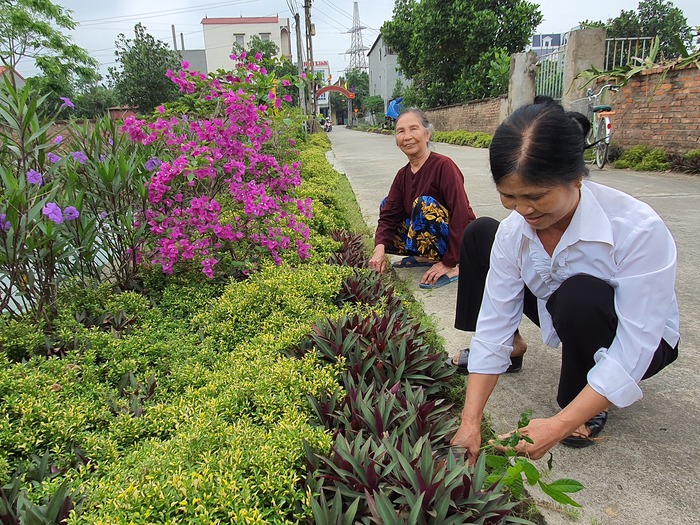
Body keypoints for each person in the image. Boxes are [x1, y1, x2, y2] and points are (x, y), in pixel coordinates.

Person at [449, 103, 679, 463]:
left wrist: (558, 424)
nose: (523, 210)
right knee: (486, 235)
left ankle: (583, 404)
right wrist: (470, 421)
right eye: (509, 196)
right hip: (561, 307)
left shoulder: (637, 229)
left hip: (642, 340)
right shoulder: (516, 231)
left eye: (536, 197)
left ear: (577, 178)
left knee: (579, 295)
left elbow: (637, 344)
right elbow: (495, 324)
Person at [368, 108, 476, 289]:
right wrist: (379, 249)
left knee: (424, 205)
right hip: (432, 239)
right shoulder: (402, 175)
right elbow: (389, 215)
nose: (407, 136)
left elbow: (461, 213)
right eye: (401, 131)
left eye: (413, 129)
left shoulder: (444, 166)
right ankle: (426, 257)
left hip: (460, 242)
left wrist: (450, 261)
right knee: (387, 204)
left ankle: (455, 267)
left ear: (427, 134)